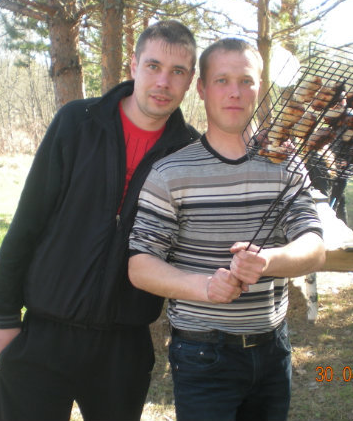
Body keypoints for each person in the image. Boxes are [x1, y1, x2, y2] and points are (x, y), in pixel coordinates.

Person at [0, 20, 198, 421]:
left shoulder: (188, 152)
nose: (163, 82)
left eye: (177, 71)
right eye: (153, 66)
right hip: (44, 334)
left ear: (190, 81)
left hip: (124, 348)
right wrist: (5, 318)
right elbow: (29, 219)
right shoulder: (77, 122)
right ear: (134, 65)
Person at [128, 38, 326, 421]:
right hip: (202, 355)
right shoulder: (170, 172)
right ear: (201, 89)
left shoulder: (285, 162)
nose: (235, 92)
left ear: (259, 87)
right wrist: (204, 287)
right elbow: (140, 266)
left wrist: (268, 261)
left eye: (245, 81)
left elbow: (314, 247)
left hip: (273, 351)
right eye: (222, 80)